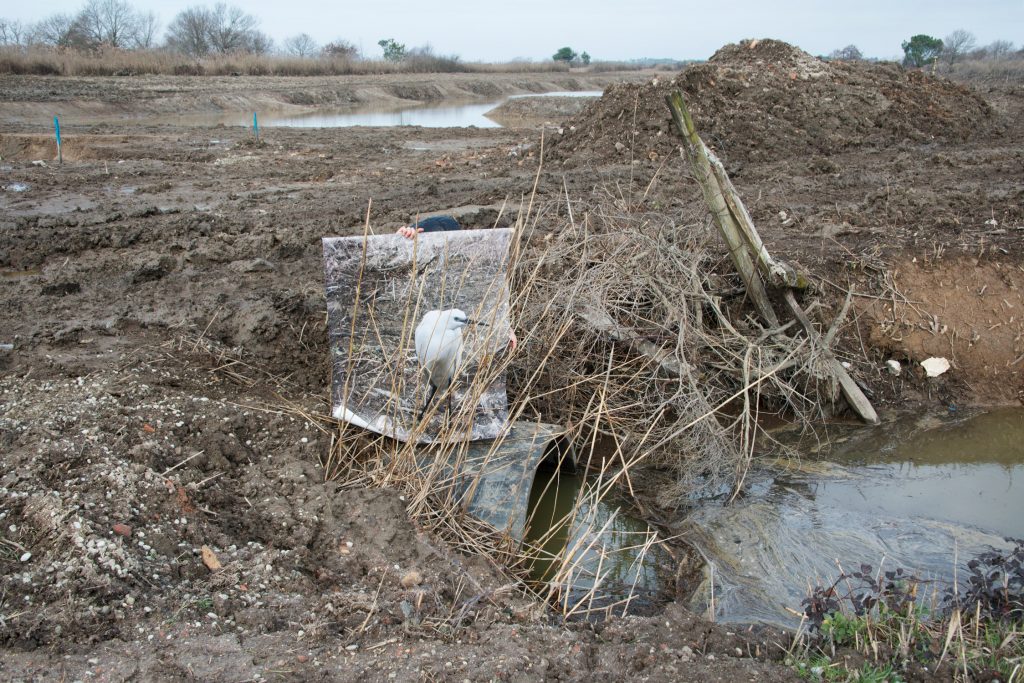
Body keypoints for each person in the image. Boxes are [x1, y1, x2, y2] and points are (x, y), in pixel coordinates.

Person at [396, 215, 517, 351]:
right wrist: (397, 241)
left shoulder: (464, 276)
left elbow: (482, 304)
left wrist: (504, 328)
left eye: (449, 248)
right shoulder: (409, 279)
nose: (439, 253)